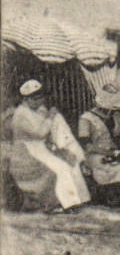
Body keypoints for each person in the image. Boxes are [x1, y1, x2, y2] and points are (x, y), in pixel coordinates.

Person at [3, 80, 90, 213]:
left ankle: (76, 200)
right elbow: (40, 132)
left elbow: (43, 126)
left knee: (68, 164)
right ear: (27, 99)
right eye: (36, 99)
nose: (39, 102)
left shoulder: (34, 110)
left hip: (39, 148)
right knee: (60, 169)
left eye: (40, 98)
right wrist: (49, 117)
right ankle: (66, 203)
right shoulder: (21, 114)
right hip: (27, 150)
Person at [77, 79, 120, 207]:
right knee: (110, 168)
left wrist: (118, 129)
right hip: (95, 155)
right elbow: (87, 146)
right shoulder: (86, 119)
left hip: (113, 153)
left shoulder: (114, 116)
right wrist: (108, 152)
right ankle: (109, 196)